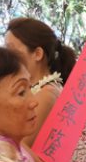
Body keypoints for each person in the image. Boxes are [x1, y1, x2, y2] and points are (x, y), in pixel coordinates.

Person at [4, 17, 77, 146]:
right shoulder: (43, 89)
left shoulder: (46, 94)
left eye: (12, 51)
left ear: (37, 54)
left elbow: (20, 148)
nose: (6, 57)